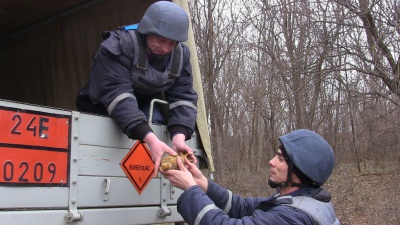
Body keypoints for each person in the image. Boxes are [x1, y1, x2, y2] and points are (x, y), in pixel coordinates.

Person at [75, 1, 198, 175]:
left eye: (172, 43)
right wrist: (149, 139)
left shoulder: (180, 54)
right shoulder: (117, 46)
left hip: (141, 105)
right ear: (147, 30)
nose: (165, 48)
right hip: (101, 106)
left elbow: (183, 96)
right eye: (161, 40)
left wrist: (179, 136)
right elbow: (117, 94)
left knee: (156, 122)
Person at [161, 129, 341, 224]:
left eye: (280, 159)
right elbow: (244, 207)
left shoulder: (290, 218)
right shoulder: (300, 201)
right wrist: (203, 184)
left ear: (299, 171)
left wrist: (191, 189)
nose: (271, 162)